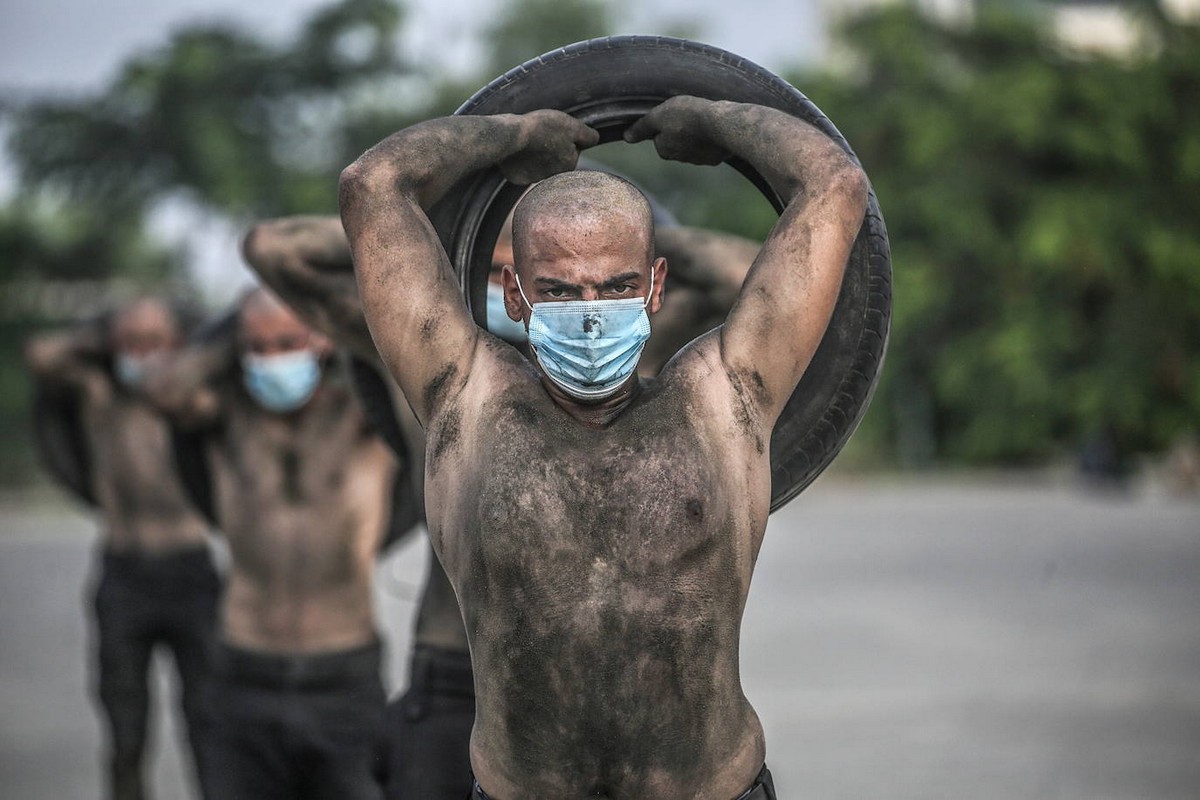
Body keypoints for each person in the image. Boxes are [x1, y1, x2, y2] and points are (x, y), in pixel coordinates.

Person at [339, 96, 867, 798]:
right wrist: (513, 134)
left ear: (654, 286)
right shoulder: (464, 397)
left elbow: (836, 185)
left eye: (615, 286)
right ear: (517, 297)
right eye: (560, 290)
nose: (590, 314)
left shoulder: (726, 395)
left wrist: (713, 120)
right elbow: (371, 185)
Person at [241, 202, 758, 799]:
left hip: (633, 701)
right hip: (455, 673)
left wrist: (630, 232)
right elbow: (275, 249)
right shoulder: (426, 360)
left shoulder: (626, 340)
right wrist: (433, 222)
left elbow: (754, 276)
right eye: (491, 272)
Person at [142, 287, 396, 800]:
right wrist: (237, 320)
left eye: (287, 342)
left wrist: (333, 313)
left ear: (319, 341)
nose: (273, 359)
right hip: (241, 670)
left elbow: (407, 363)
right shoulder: (225, 415)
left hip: (343, 676)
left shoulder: (362, 417)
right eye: (259, 348)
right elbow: (163, 389)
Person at [24, 298, 220, 800]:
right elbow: (42, 355)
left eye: (155, 343)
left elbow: (224, 362)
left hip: (191, 570)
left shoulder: (191, 400)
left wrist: (186, 351)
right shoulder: (99, 392)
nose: (143, 354)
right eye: (132, 344)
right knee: (125, 730)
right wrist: (105, 333)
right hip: (124, 572)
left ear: (178, 345)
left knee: (209, 725)